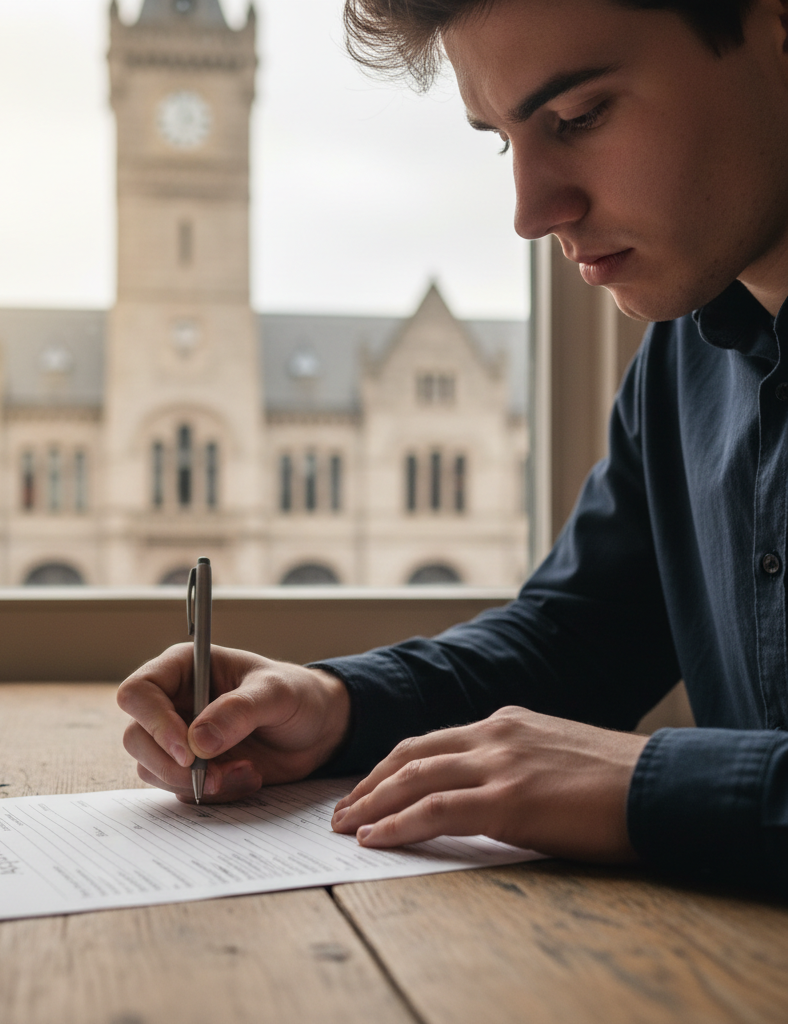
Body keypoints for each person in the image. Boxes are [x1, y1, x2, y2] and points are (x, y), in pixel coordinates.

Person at [118, 0, 788, 896]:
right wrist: (336, 706)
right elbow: (576, 639)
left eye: (580, 116)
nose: (531, 211)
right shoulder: (687, 352)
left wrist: (648, 786)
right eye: (503, 142)